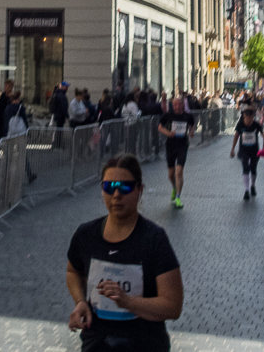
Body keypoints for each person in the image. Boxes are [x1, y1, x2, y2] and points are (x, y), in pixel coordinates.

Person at [66, 154, 183, 352]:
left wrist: (127, 301)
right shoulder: (86, 234)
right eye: (109, 187)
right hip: (97, 343)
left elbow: (172, 306)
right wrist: (80, 302)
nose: (116, 194)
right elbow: (73, 272)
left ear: (140, 190)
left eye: (125, 187)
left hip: (144, 344)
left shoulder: (154, 239)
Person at [158, 97, 195, 208]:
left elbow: (192, 125)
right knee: (171, 175)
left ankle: (178, 197)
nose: (177, 107)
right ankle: (174, 187)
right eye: (175, 105)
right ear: (172, 106)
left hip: (182, 145)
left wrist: (191, 132)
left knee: (179, 171)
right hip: (170, 145)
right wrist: (168, 133)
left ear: (183, 105)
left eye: (179, 104)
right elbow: (160, 127)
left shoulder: (188, 116)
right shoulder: (168, 116)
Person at [229, 107, 263, 200]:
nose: (248, 120)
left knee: (253, 168)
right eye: (246, 118)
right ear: (244, 117)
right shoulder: (240, 125)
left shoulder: (256, 125)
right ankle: (246, 190)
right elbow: (236, 136)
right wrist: (232, 149)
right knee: (245, 167)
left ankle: (253, 186)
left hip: (255, 150)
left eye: (250, 118)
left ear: (253, 117)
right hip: (244, 150)